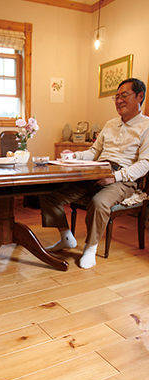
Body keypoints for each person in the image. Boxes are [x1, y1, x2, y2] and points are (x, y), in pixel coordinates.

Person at [39, 78, 149, 269]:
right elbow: (94, 152)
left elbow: (145, 163)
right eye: (116, 97)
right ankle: (67, 238)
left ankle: (90, 249)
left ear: (140, 96)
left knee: (98, 203)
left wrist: (115, 177)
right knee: (49, 196)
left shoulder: (146, 126)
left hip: (123, 178)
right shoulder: (110, 124)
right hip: (96, 171)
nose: (119, 101)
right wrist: (74, 156)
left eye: (124, 96)